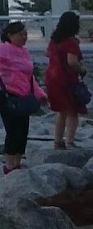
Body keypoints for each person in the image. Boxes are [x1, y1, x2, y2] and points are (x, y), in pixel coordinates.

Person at [0, 20, 48, 172]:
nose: (24, 37)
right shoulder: (4, 48)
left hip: (23, 96)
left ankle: (18, 162)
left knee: (23, 130)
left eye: (25, 34)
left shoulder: (24, 52)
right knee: (12, 130)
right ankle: (9, 165)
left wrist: (40, 94)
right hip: (6, 96)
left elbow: (30, 77)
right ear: (10, 35)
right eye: (20, 34)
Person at [46, 11, 85, 149]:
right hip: (66, 79)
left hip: (52, 77)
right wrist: (82, 70)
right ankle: (70, 140)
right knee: (72, 110)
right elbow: (72, 62)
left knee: (61, 111)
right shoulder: (71, 42)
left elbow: (47, 53)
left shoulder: (54, 40)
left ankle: (58, 140)